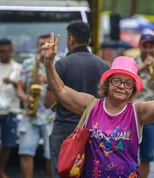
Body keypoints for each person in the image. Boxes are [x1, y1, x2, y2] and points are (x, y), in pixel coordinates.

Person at [41, 32, 154, 177]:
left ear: (133, 90)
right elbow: (60, 90)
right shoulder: (91, 106)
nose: (122, 86)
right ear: (107, 84)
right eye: (117, 80)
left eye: (128, 83)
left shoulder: (137, 112)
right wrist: (49, 64)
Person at [46, 21, 109, 178]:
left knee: (63, 173)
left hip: (65, 131)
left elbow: (47, 102)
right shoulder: (104, 66)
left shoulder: (61, 65)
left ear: (71, 39)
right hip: (94, 131)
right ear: (88, 41)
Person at [17, 34, 55, 178]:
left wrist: (46, 79)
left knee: (51, 155)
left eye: (46, 44)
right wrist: (23, 97)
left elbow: (63, 87)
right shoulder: (28, 63)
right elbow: (19, 86)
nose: (43, 47)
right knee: (25, 152)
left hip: (50, 116)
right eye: (40, 44)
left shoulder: (58, 63)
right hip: (30, 114)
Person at [0, 39, 22, 178]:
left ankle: (0, 171)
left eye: (5, 51)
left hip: (10, 109)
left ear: (11, 49)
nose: (2, 54)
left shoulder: (17, 67)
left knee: (7, 144)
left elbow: (22, 86)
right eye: (0, 51)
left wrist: (12, 82)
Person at [134, 34, 154, 178]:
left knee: (146, 156)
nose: (147, 49)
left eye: (150, 46)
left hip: (150, 115)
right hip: (132, 114)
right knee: (127, 153)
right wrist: (143, 67)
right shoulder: (132, 63)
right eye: (144, 46)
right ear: (140, 46)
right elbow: (124, 78)